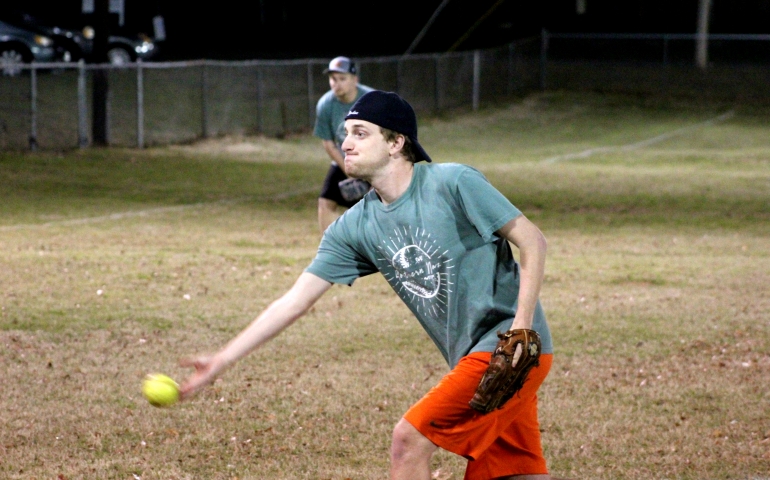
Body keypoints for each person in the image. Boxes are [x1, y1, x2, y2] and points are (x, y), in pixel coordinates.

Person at [179, 91, 555, 480]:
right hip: (478, 357)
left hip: (509, 348)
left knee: (408, 441)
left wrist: (521, 327)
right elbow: (294, 301)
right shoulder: (354, 226)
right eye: (346, 133)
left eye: (360, 133)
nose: (346, 143)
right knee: (514, 472)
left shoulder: (452, 182)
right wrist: (221, 359)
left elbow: (532, 241)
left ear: (396, 143)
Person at [313, 55, 374, 233]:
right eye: (333, 78)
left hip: (373, 159)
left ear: (354, 80)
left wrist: (367, 171)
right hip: (344, 158)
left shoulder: (370, 100)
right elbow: (328, 142)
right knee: (325, 203)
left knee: (378, 207)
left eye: (342, 78)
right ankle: (330, 252)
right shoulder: (326, 104)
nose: (336, 83)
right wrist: (348, 169)